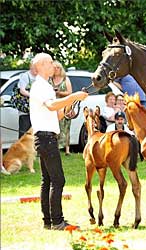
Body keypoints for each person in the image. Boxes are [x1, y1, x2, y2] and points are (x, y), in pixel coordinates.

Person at [29, 53, 88, 230]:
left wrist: (69, 107)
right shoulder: (41, 86)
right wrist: (73, 97)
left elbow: (57, 113)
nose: (53, 65)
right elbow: (52, 106)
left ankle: (49, 222)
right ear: (40, 66)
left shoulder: (44, 86)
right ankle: (57, 221)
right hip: (46, 138)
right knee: (57, 180)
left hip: (45, 137)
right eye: (49, 62)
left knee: (47, 180)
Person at [50, 61, 73, 155]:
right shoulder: (49, 79)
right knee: (55, 127)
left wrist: (59, 93)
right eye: (54, 68)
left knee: (66, 127)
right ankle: (56, 147)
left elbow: (70, 92)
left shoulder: (65, 79)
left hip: (64, 106)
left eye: (58, 68)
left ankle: (67, 149)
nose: (56, 70)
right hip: (53, 106)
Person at [17, 60, 37, 138]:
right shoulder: (25, 76)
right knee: (24, 132)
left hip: (36, 110)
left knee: (35, 133)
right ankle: (21, 150)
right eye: (34, 68)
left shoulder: (39, 77)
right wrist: (33, 95)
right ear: (31, 67)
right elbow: (22, 90)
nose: (36, 70)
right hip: (25, 110)